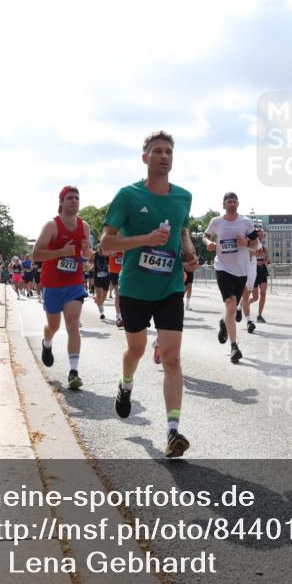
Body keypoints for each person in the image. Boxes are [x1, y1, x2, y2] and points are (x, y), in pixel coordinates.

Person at [100, 130, 199, 458]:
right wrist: (144, 239)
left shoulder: (183, 197)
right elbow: (106, 243)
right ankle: (126, 384)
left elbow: (183, 230)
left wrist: (188, 251)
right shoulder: (127, 196)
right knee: (136, 350)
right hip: (134, 288)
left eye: (169, 151)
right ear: (145, 158)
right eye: (157, 151)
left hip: (170, 286)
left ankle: (173, 431)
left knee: (172, 357)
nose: (164, 156)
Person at [33, 186, 94, 390]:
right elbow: (36, 255)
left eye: (77, 198)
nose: (74, 201)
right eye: (70, 198)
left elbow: (88, 255)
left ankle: (74, 371)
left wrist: (86, 252)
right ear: (61, 202)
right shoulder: (51, 226)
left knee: (73, 323)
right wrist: (60, 252)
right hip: (52, 283)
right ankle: (47, 342)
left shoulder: (83, 226)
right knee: (54, 326)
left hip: (74, 283)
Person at [203, 192, 259, 363]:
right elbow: (206, 236)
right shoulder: (216, 222)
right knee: (231, 304)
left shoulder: (246, 222)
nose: (232, 204)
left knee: (231, 308)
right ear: (223, 205)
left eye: (234, 201)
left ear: (238, 204)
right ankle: (234, 346)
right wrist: (209, 244)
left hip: (241, 270)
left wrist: (246, 244)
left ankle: (223, 322)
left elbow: (255, 244)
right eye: (229, 201)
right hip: (223, 268)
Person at [240, 225, 263, 333]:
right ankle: (248, 320)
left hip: (252, 269)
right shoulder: (242, 239)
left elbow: (261, 252)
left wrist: (252, 252)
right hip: (241, 268)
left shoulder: (256, 241)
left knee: (248, 293)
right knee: (242, 293)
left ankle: (240, 309)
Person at [252, 228, 271, 323]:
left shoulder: (265, 248)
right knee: (255, 297)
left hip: (263, 270)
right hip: (253, 271)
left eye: (261, 235)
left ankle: (259, 315)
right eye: (258, 235)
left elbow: (268, 260)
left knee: (263, 293)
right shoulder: (251, 247)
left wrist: (266, 261)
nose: (260, 237)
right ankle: (243, 304)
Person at [91, 244, 111, 320]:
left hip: (106, 277)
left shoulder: (108, 254)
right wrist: (91, 266)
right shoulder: (95, 254)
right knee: (99, 295)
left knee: (104, 296)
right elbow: (89, 261)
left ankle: (99, 303)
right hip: (97, 277)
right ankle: (101, 312)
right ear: (100, 247)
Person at [108, 250, 124, 326]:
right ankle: (119, 317)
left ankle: (124, 315)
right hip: (115, 273)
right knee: (118, 294)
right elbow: (110, 253)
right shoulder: (114, 245)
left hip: (125, 272)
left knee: (125, 295)